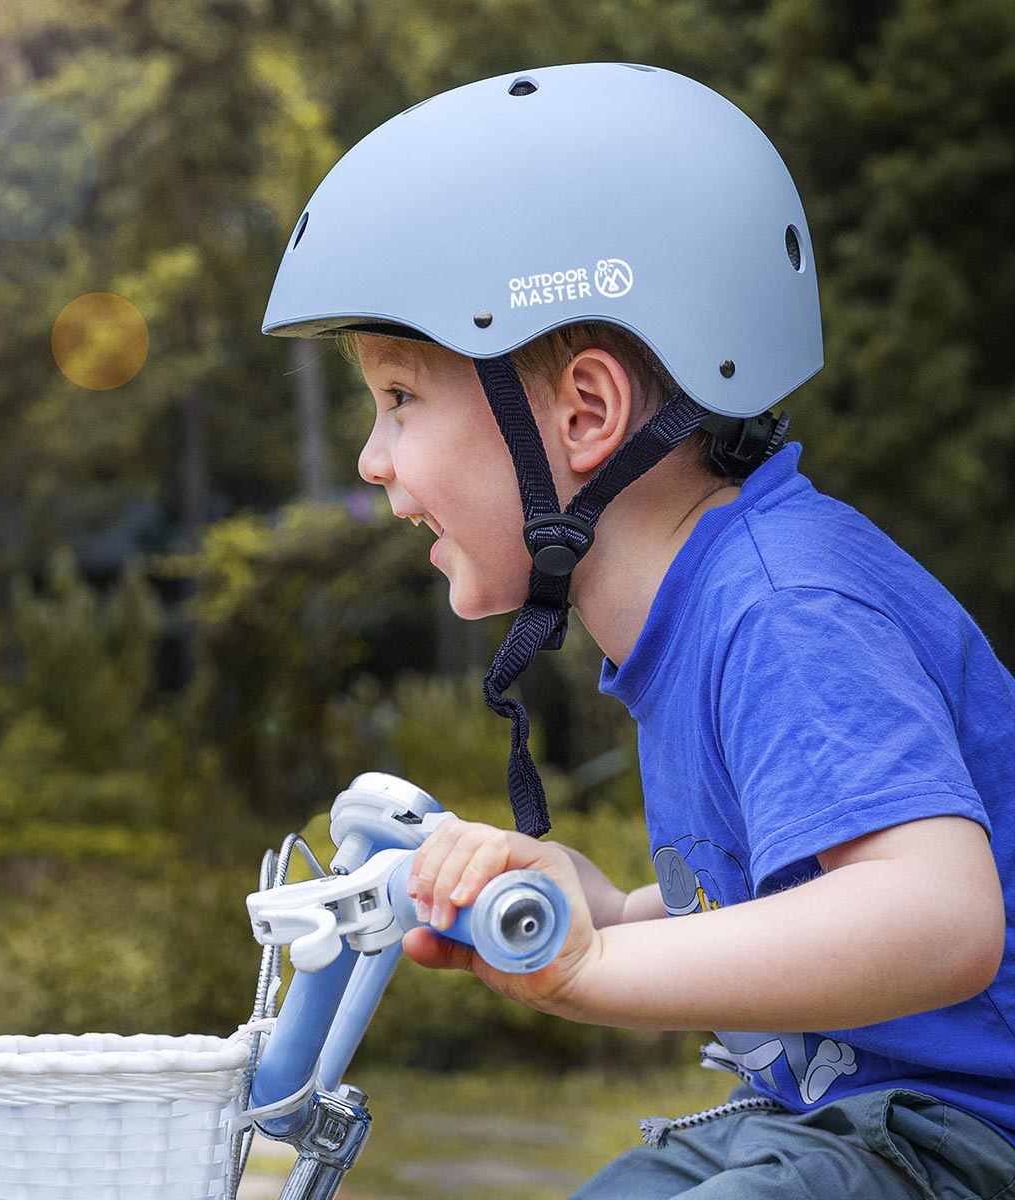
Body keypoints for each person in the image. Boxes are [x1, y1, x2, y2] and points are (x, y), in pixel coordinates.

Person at [260, 63, 1015, 1199]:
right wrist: (607, 905)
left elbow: (942, 914)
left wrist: (599, 963)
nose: (374, 458)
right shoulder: (702, 612)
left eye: (402, 397)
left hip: (960, 1143)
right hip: (863, 1133)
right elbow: (798, 885)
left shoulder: (783, 605)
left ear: (584, 416)